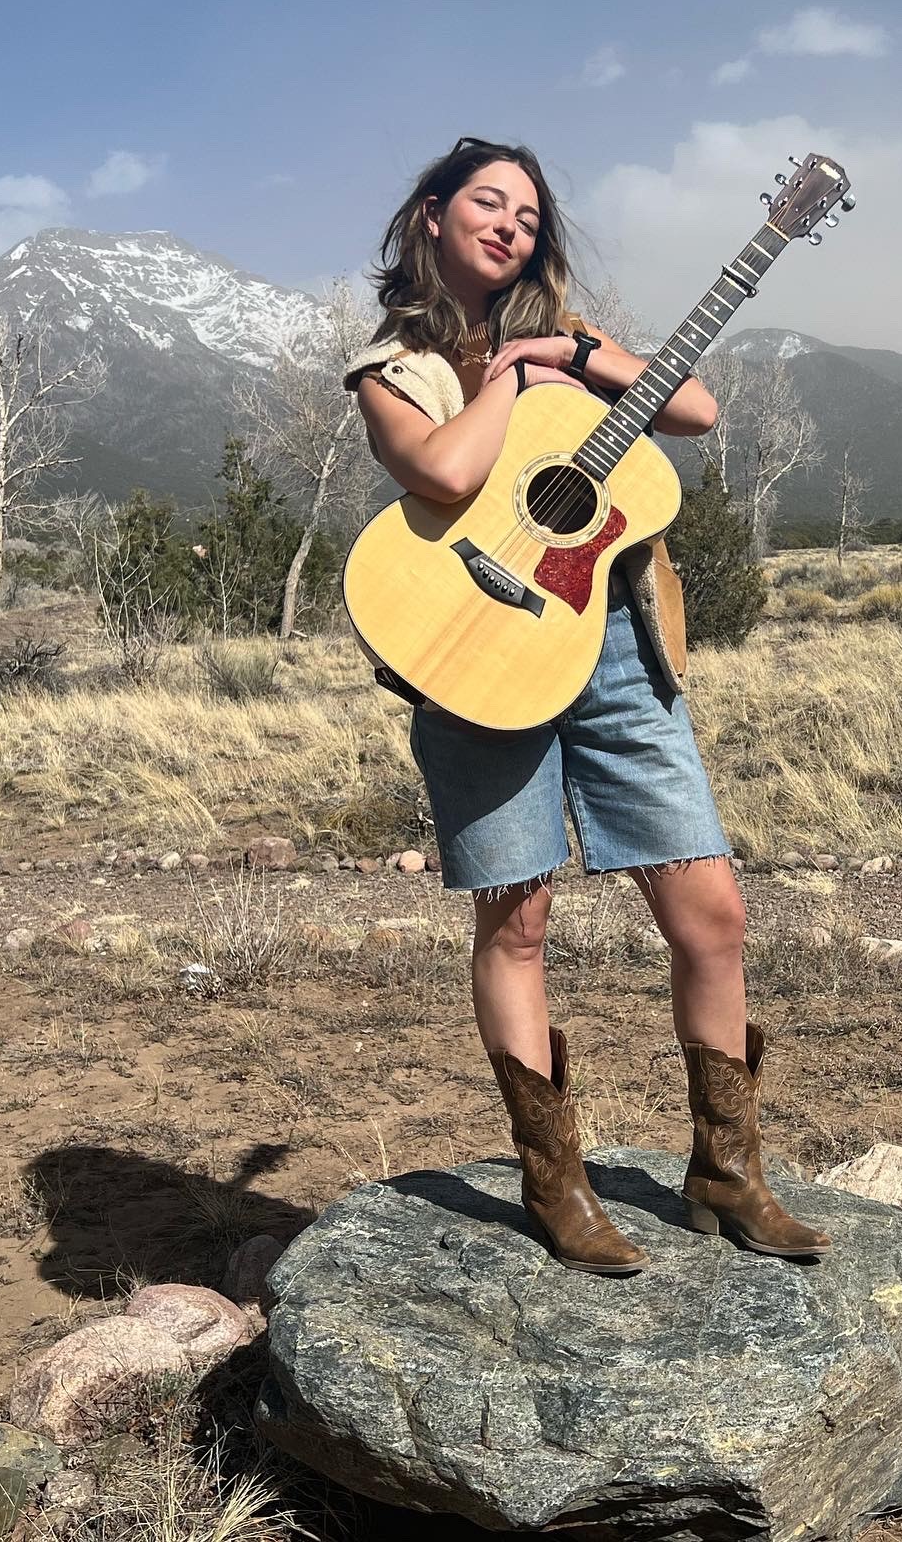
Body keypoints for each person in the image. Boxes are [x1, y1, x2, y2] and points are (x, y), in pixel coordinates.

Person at [344, 137, 830, 1274]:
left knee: (711, 910)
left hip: (615, 645)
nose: (511, 224)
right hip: (477, 651)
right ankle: (556, 1186)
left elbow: (696, 409)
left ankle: (727, 1170)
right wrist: (514, 377)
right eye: (487, 202)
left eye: (528, 212)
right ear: (431, 214)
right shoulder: (393, 366)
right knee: (517, 923)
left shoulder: (574, 347)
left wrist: (569, 351)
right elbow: (450, 477)